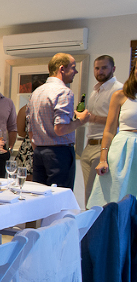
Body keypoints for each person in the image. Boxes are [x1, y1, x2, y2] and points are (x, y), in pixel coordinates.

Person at [28, 53, 91, 189]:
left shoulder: (36, 92)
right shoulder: (64, 92)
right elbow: (60, 129)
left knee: (39, 195)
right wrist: (81, 120)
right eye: (73, 67)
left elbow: (31, 129)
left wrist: (40, 148)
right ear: (62, 69)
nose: (76, 71)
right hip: (59, 154)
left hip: (39, 152)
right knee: (60, 196)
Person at [89, 62, 137, 207]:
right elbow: (109, 130)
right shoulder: (121, 95)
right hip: (122, 150)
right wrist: (103, 159)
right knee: (114, 199)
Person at [81, 55, 123, 205]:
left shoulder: (118, 90)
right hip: (89, 144)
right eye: (97, 68)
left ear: (113, 69)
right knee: (88, 192)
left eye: (104, 68)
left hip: (104, 145)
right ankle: (91, 219)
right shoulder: (95, 91)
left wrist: (92, 118)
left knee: (96, 194)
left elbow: (119, 120)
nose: (100, 71)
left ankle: (97, 220)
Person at [16, 78, 45, 182]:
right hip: (30, 148)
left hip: (29, 145)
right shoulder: (25, 109)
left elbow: (21, 132)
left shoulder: (25, 108)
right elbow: (20, 132)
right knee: (29, 180)